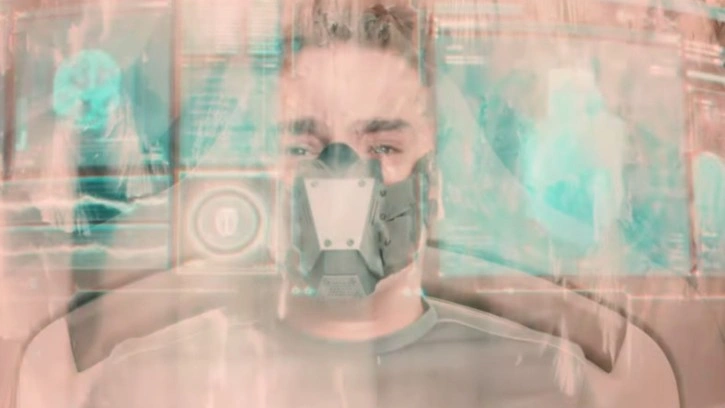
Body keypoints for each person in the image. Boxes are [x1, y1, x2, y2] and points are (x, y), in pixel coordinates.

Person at [85, 2, 594, 407]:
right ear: (263, 176)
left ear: (433, 184)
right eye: (302, 148)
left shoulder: (532, 383)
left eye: (383, 147)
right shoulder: (158, 384)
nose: (343, 173)